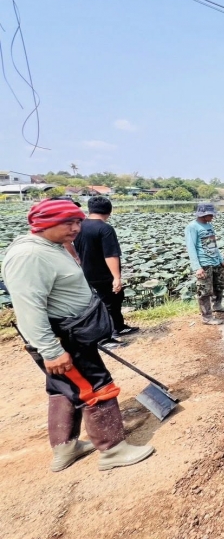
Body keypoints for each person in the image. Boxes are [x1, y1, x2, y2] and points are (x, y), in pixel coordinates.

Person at [1, 199, 154, 472]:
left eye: (78, 222)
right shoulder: (29, 256)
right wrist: (51, 351)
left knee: (63, 388)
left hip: (71, 334)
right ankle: (113, 450)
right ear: (45, 223)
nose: (76, 228)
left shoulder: (50, 246)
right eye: (68, 223)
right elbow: (29, 308)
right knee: (96, 386)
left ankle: (65, 448)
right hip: (63, 339)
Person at [73, 196, 139, 342]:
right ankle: (108, 335)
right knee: (110, 303)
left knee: (113, 299)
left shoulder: (79, 225)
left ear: (90, 210)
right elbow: (110, 255)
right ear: (109, 211)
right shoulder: (105, 228)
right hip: (102, 273)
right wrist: (116, 277)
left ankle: (118, 327)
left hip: (85, 271)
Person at [185, 203, 224, 325]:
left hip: (215, 261)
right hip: (204, 263)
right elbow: (191, 248)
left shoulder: (209, 226)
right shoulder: (192, 227)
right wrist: (197, 267)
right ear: (204, 215)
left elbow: (213, 244)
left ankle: (217, 305)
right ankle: (207, 317)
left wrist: (221, 259)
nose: (213, 217)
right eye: (211, 215)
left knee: (219, 285)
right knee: (204, 291)